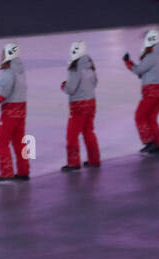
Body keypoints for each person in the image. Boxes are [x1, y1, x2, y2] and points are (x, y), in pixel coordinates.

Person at [0, 43, 30, 182]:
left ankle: (6, 172)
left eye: (3, 53)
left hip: (10, 111)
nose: (1, 56)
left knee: (2, 141)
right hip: (21, 110)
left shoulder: (9, 72)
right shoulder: (20, 70)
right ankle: (24, 171)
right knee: (19, 142)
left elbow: (4, 93)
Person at [124, 30, 159, 155]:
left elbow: (139, 70)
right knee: (151, 118)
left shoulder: (152, 55)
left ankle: (150, 143)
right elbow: (148, 71)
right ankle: (158, 144)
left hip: (151, 92)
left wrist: (128, 62)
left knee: (140, 116)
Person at [61, 41, 100, 171]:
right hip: (91, 102)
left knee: (72, 135)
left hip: (78, 105)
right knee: (88, 131)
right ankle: (94, 159)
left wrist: (63, 86)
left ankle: (73, 163)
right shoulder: (90, 65)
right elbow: (95, 82)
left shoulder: (76, 67)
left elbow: (71, 88)